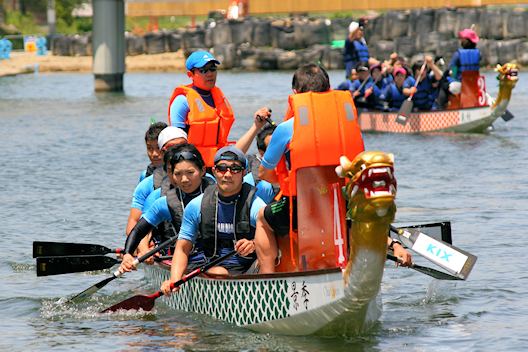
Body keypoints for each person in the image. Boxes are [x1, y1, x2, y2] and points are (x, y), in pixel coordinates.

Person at [256, 63, 412, 273]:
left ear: (295, 93)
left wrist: (284, 179)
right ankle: (390, 245)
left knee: (262, 218)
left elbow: (264, 173)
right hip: (341, 202)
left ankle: (267, 280)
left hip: (299, 205)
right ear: (329, 89)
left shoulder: (285, 128)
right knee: (354, 212)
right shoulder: (346, 123)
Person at [160, 146, 273, 295]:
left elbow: (273, 245)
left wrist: (253, 244)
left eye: (235, 169)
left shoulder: (256, 206)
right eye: (222, 168)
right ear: (214, 171)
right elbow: (182, 248)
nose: (228, 174)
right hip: (212, 267)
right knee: (219, 272)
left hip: (248, 268)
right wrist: (174, 280)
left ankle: (266, 291)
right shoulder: (196, 206)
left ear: (243, 173)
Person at [119, 144, 215, 272]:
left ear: (203, 170)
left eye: (190, 173)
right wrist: (127, 254)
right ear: (171, 174)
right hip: (187, 262)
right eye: (178, 174)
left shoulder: (219, 194)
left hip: (220, 260)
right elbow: (137, 231)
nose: (184, 179)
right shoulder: (164, 203)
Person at [167, 50, 235, 167]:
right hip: (192, 166)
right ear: (190, 75)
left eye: (212, 69)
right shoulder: (182, 101)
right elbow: (176, 143)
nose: (210, 74)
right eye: (203, 70)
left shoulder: (219, 97)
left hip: (219, 164)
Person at [125, 126, 188, 236]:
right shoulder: (148, 186)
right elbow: (135, 222)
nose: (154, 154)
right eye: (150, 148)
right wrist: (142, 247)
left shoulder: (207, 181)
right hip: (161, 240)